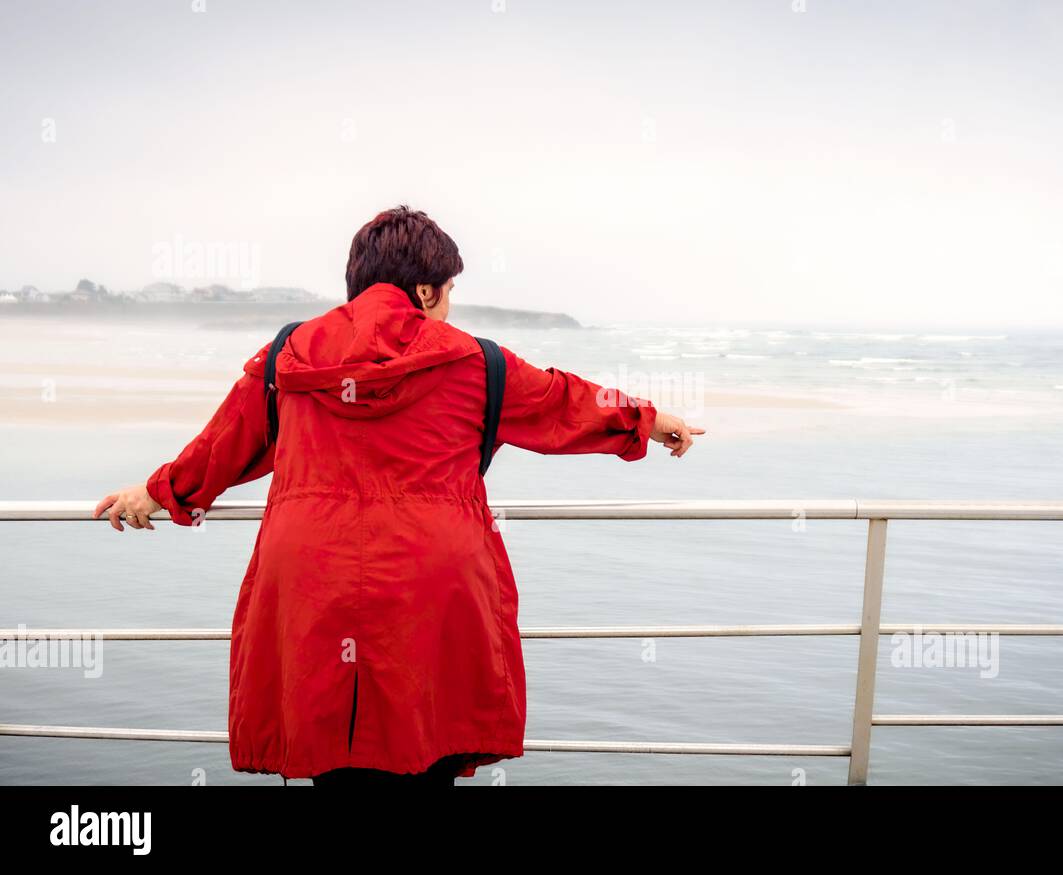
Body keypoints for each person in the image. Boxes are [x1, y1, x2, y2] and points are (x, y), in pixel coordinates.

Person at [93, 205, 704, 786]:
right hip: (431, 587)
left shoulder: (287, 354)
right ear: (426, 291)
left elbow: (222, 447)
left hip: (311, 579)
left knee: (331, 747)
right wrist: (645, 419)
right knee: (425, 744)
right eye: (450, 290)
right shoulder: (477, 363)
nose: (449, 306)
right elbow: (560, 400)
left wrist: (154, 494)